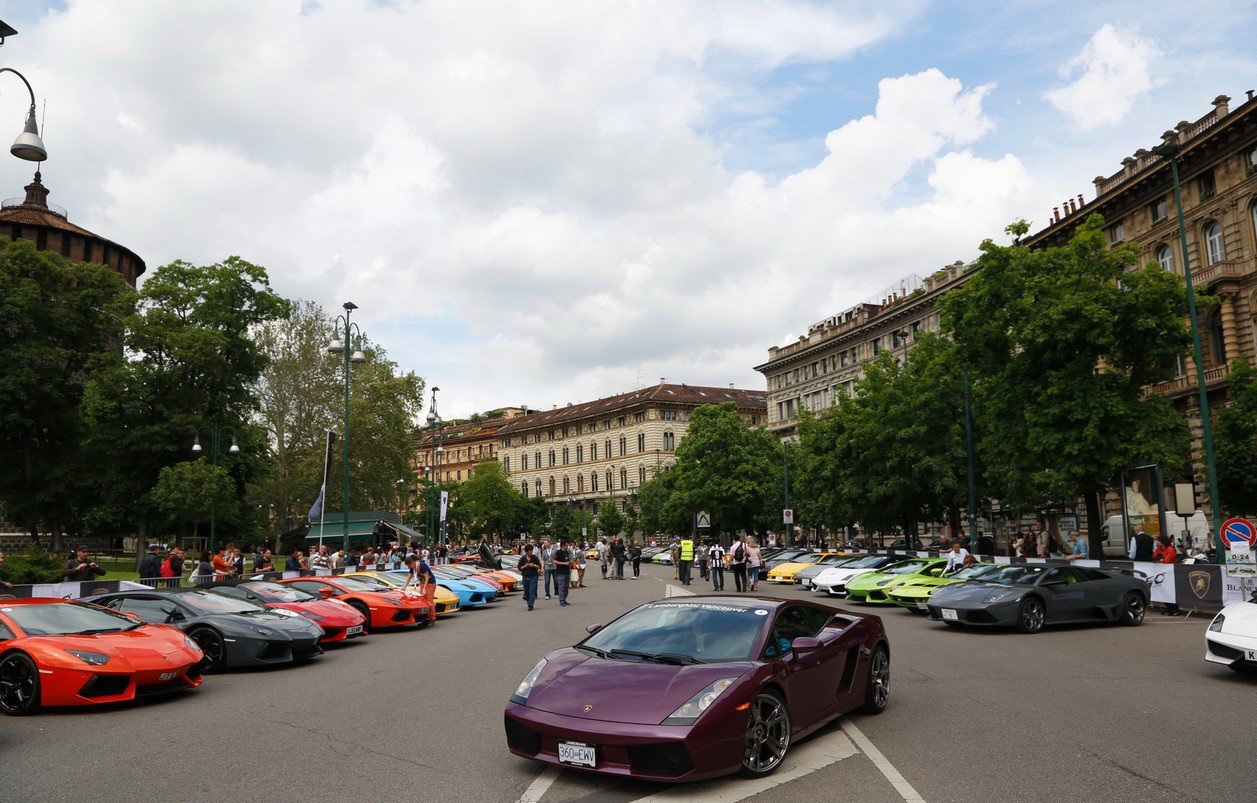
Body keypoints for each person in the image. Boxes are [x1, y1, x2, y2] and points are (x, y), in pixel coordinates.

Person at [402, 554, 438, 625]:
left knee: (429, 601)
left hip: (430, 583)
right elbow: (409, 577)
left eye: (409, 565)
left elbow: (427, 577)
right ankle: (426, 617)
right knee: (423, 600)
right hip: (422, 583)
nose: (409, 567)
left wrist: (424, 588)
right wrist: (404, 587)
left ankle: (432, 618)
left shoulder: (422, 565)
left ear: (413, 562)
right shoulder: (413, 567)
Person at [1153, 534, 1181, 615]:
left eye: (1158, 541)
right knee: (1163, 591)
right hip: (1162, 573)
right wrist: (1160, 559)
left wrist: (1160, 559)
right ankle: (1168, 608)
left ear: (1162, 542)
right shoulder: (1159, 549)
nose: (1156, 542)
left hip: (1170, 573)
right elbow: (1153, 558)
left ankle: (1175, 609)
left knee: (1170, 591)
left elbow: (1167, 560)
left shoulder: (1170, 549)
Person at [518, 544, 542, 610]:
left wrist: (534, 565)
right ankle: (529, 602)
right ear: (526, 551)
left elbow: (539, 566)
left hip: (533, 576)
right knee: (526, 592)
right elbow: (519, 568)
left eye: (532, 550)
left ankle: (531, 605)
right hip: (525, 576)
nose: (531, 552)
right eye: (530, 551)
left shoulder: (534, 557)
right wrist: (525, 566)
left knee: (532, 591)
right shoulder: (522, 558)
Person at [553, 540, 572, 607]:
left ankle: (564, 599)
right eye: (566, 545)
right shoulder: (558, 552)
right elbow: (554, 561)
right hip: (560, 572)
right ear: (563, 545)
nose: (567, 546)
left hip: (567, 572)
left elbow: (568, 560)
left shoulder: (566, 552)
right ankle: (561, 600)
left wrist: (569, 564)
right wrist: (563, 563)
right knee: (561, 587)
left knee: (566, 587)